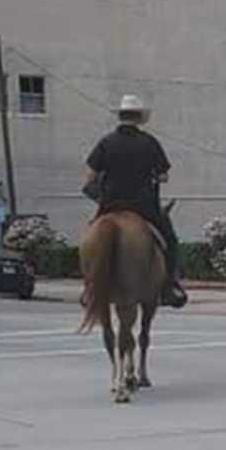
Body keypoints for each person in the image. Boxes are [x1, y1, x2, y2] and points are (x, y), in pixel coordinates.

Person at [83, 94, 187, 308]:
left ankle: (89, 288)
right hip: (143, 206)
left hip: (110, 204)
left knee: (89, 239)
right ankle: (169, 286)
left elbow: (90, 176)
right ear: (139, 118)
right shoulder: (149, 142)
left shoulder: (105, 142)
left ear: (120, 116)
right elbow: (163, 175)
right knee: (170, 240)